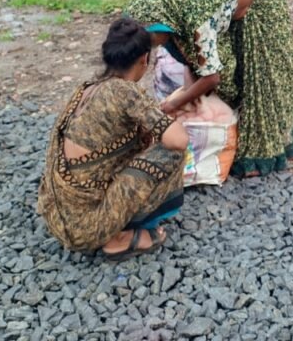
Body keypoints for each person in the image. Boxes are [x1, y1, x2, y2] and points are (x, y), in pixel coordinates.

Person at [125, 0, 293, 178]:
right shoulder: (173, 15)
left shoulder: (196, 20)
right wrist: (187, 94)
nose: (151, 48)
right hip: (233, 11)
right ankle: (240, 129)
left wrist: (175, 103)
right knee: (239, 75)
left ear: (162, 28)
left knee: (263, 78)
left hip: (263, 2)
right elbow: (191, 60)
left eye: (151, 41)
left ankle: (272, 147)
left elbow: (212, 77)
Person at [37, 18, 189, 261]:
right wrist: (171, 120)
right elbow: (178, 141)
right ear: (144, 60)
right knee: (170, 152)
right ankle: (117, 238)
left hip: (58, 217)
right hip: (89, 228)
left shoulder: (87, 89)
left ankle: (113, 226)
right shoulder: (123, 91)